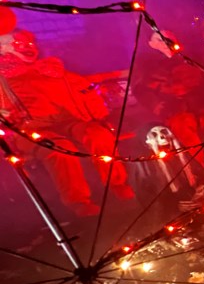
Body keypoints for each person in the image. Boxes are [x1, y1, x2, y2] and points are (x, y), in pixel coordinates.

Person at [0, 26, 134, 216]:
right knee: (58, 148)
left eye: (28, 43)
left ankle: (117, 183)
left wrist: (117, 80)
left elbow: (82, 84)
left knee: (96, 134)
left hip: (66, 120)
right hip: (28, 129)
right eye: (18, 44)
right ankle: (78, 202)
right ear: (3, 49)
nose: (27, 47)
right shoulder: (3, 78)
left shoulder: (49, 69)